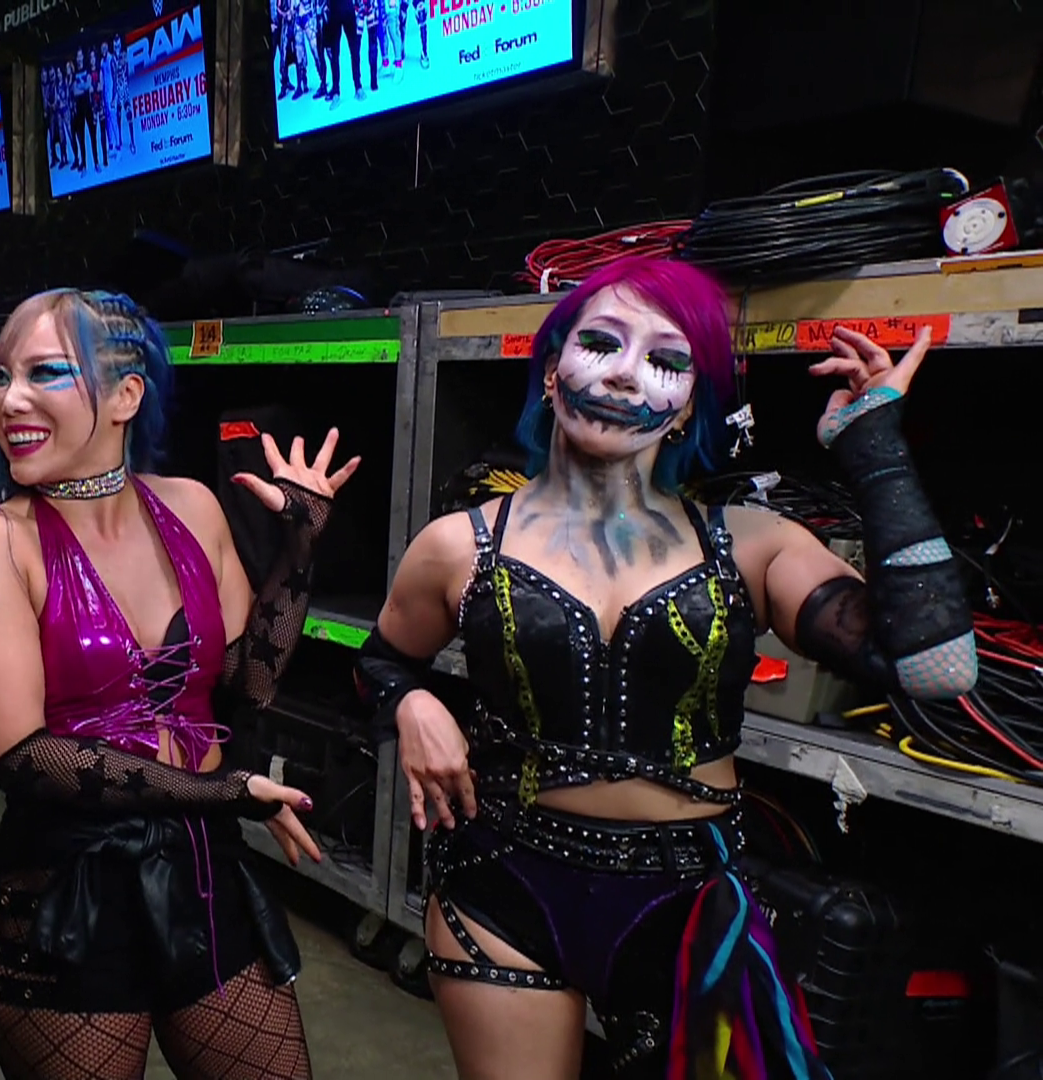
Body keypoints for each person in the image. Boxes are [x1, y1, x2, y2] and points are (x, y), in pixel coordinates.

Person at [354, 257, 977, 1079]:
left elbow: (937, 667)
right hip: (503, 885)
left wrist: (877, 448)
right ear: (552, 371)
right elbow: (382, 663)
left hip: (686, 902)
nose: (624, 374)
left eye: (666, 359)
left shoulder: (752, 543)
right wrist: (412, 705)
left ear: (686, 405)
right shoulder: (457, 546)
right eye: (601, 343)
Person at [0, 288, 360, 1080]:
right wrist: (224, 792)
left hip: (206, 871)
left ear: (127, 394)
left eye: (44, 372)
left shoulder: (192, 507)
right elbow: (26, 758)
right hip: (70, 895)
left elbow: (249, 684)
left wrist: (301, 546)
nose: (9, 399)